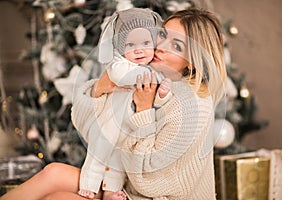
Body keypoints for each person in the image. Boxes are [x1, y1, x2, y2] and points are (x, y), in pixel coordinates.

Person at [0, 8, 226, 200]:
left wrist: (143, 111)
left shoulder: (192, 106)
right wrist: (100, 89)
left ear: (193, 62)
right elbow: (88, 127)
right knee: (53, 174)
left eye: (176, 46)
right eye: (162, 35)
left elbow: (150, 182)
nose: (160, 46)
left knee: (59, 198)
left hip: (153, 195)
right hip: (124, 187)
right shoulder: (142, 78)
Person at [77, 8, 172, 200]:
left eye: (146, 43)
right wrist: (153, 78)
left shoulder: (154, 69)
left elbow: (159, 100)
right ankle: (89, 184)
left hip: (130, 128)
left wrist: (163, 92)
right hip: (110, 123)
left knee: (118, 162)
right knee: (99, 153)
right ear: (121, 47)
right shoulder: (118, 64)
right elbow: (120, 77)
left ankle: (111, 192)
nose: (139, 50)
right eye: (130, 45)